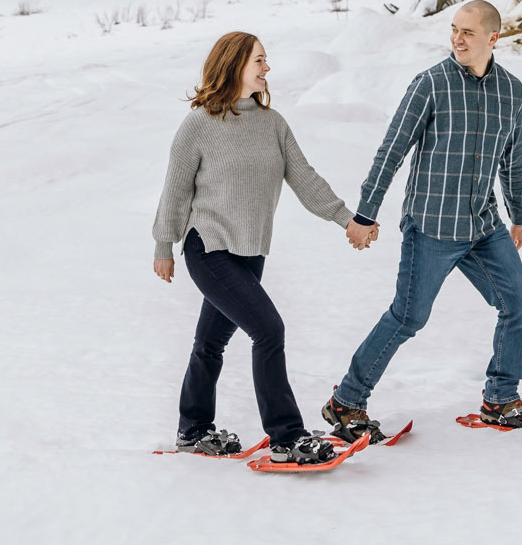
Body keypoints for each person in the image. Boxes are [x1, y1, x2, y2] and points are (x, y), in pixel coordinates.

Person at [321, 0, 522, 440]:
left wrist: (518, 215)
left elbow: (514, 158)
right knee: (408, 317)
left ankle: (501, 398)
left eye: (467, 32)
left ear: (493, 38)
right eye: (453, 30)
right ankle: (346, 401)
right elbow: (391, 151)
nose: (457, 39)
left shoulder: (511, 91)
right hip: (431, 226)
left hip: (483, 226)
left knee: (520, 305)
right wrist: (365, 213)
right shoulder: (430, 84)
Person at [153, 30, 375, 466]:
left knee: (209, 344)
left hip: (251, 252)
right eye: (259, 60)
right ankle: (286, 436)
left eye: (265, 60)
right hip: (209, 248)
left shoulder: (273, 124)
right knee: (268, 331)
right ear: (234, 64)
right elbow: (174, 191)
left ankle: (193, 429)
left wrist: (347, 218)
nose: (267, 68)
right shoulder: (198, 124)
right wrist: (164, 243)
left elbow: (304, 178)